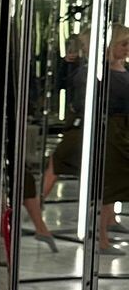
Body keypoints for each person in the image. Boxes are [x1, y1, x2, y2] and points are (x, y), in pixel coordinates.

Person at [42, 31, 88, 198]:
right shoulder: (79, 68)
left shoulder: (93, 68)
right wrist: (66, 65)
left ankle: (38, 203)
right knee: (58, 161)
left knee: (58, 161)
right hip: (77, 118)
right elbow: (61, 84)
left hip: (83, 119)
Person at [100, 23, 129, 252]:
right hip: (113, 129)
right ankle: (102, 238)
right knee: (109, 182)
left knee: (113, 181)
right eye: (124, 44)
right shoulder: (104, 72)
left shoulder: (121, 68)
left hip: (122, 128)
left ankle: (109, 222)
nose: (127, 49)